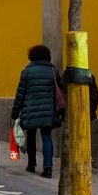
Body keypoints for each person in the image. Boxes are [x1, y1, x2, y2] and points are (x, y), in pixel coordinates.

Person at [11, 44, 63, 178]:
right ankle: (48, 168)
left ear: (31, 56)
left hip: (30, 110)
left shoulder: (27, 71)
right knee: (46, 136)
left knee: (31, 136)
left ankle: (31, 164)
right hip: (48, 110)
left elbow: (20, 93)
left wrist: (15, 110)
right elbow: (59, 90)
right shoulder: (53, 71)